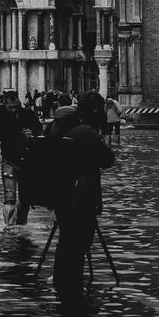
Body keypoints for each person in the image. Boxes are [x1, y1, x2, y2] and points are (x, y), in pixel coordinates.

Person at [45, 91, 116, 304]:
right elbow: (107, 160)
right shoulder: (87, 133)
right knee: (78, 246)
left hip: (59, 196)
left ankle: (62, 285)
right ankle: (72, 296)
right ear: (95, 111)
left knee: (65, 242)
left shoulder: (55, 127)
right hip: (82, 199)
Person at [0, 89, 43, 227]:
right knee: (9, 197)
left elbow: (41, 134)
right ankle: (10, 228)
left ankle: (21, 226)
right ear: (4, 105)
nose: (13, 110)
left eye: (15, 106)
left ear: (19, 102)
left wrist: (33, 134)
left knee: (25, 199)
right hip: (8, 161)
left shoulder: (28, 115)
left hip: (27, 162)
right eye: (10, 107)